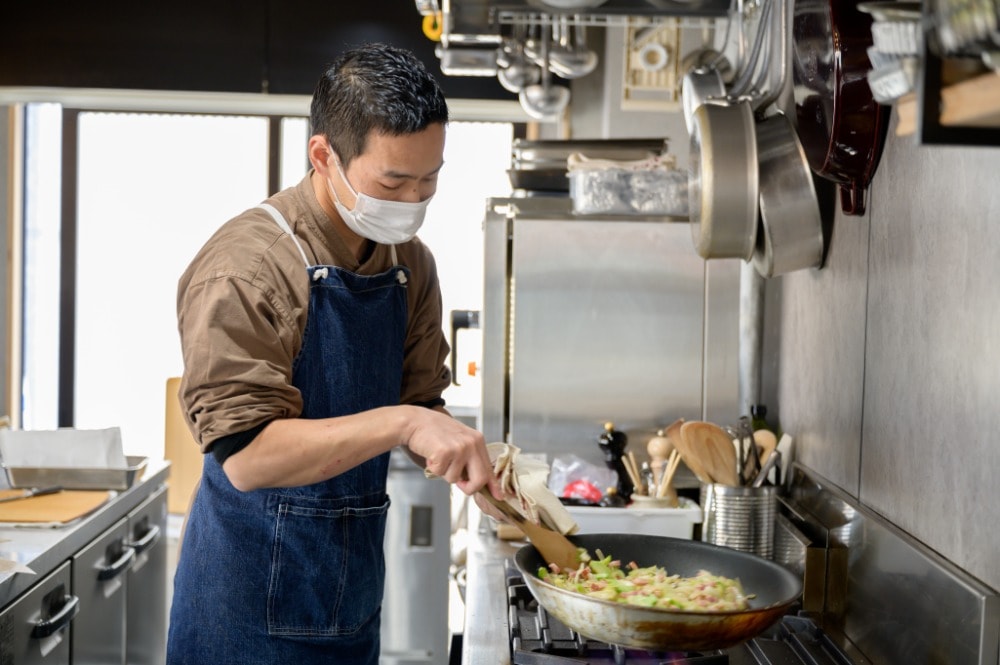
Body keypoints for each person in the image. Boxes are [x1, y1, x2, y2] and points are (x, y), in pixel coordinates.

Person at [166, 42, 502, 665]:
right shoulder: (249, 270)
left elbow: (419, 400)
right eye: (394, 181)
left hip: (347, 600)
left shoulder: (409, 263)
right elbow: (246, 458)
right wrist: (405, 422)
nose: (412, 202)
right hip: (242, 615)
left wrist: (470, 457)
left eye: (429, 180)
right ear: (324, 155)